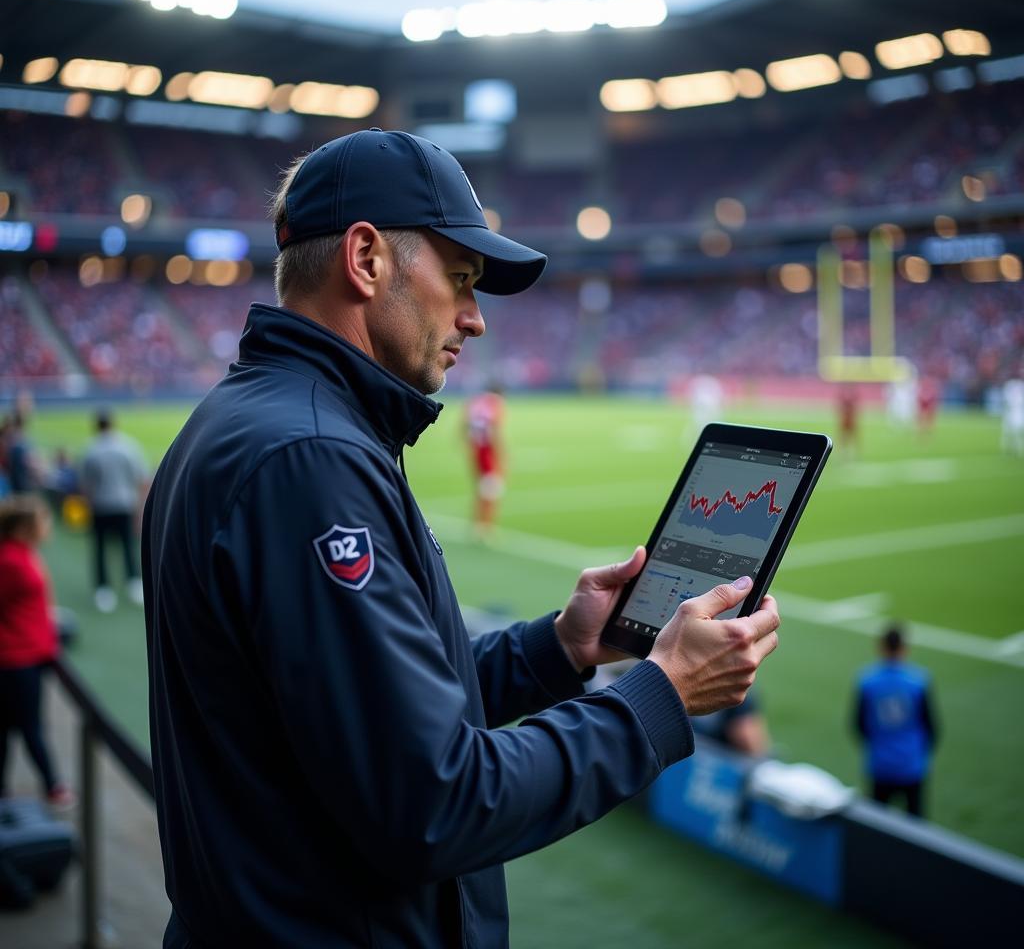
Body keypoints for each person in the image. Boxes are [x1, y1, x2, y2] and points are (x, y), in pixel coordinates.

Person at [143, 128, 782, 949]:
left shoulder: (256, 423)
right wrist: (660, 697)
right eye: (461, 279)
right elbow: (433, 804)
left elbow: (365, 707)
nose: (476, 319)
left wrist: (556, 648)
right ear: (366, 259)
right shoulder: (311, 460)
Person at [0, 495, 74, 808]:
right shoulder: (10, 561)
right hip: (15, 659)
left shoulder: (21, 554)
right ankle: (53, 786)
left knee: (13, 726)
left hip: (27, 654)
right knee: (27, 726)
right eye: (43, 521)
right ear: (25, 527)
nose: (47, 527)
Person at [853, 624, 939, 817]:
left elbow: (858, 724)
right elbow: (932, 726)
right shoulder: (919, 680)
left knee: (878, 824)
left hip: (880, 764)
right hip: (912, 764)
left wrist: (876, 746)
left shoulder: (867, 681)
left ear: (881, 647)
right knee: (916, 826)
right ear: (904, 648)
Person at [80, 408, 148, 612]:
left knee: (100, 548)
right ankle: (134, 583)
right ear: (113, 423)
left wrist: (89, 503)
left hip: (100, 505)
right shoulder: (128, 446)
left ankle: (103, 589)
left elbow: (85, 484)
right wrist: (138, 507)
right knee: (128, 546)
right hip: (124, 504)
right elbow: (141, 479)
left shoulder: (90, 448)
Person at [465, 383, 505, 539]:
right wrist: (501, 456)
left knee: (482, 488)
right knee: (492, 488)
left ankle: (477, 524)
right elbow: (495, 431)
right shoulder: (496, 403)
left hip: (477, 448)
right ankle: (486, 527)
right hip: (487, 451)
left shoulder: (476, 402)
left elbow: (465, 425)